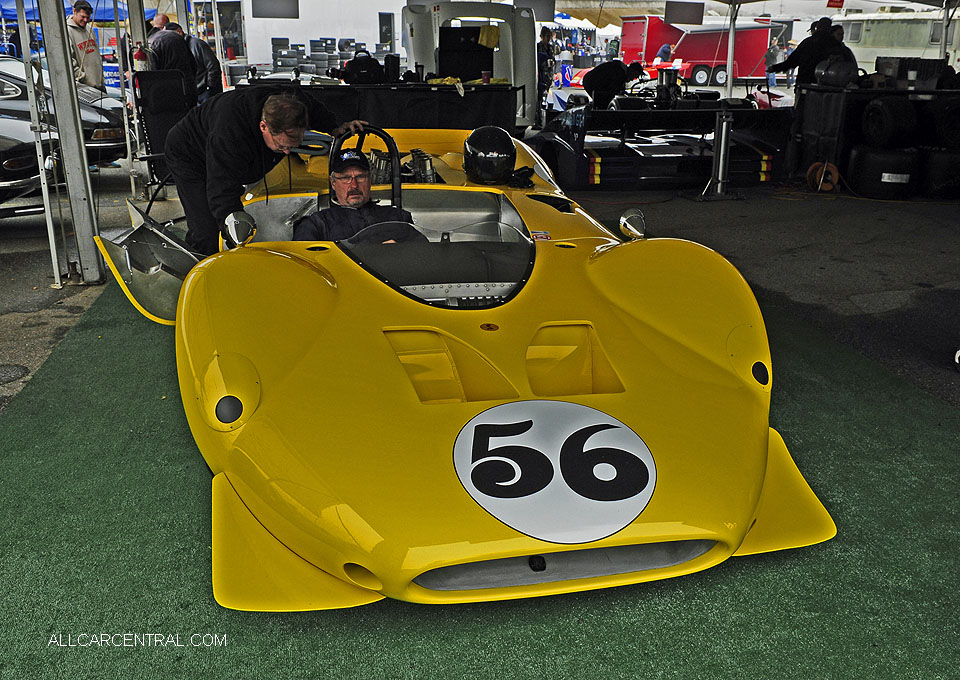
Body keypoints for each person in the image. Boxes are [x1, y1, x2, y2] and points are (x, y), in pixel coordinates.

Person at [164, 87, 366, 255]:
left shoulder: (296, 105)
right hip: (189, 154)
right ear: (264, 127)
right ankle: (198, 268)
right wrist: (233, 229)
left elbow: (315, 109)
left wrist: (334, 127)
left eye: (293, 146)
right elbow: (222, 189)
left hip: (223, 146)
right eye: (281, 146)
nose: (287, 152)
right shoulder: (230, 134)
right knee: (207, 229)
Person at [293, 148, 419, 242]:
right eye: (345, 178)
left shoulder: (399, 218)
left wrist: (400, 251)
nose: (354, 185)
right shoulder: (317, 224)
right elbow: (303, 264)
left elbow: (423, 255)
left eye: (360, 177)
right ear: (333, 183)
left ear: (370, 180)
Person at [768, 18, 846, 87]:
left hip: (805, 82)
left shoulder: (807, 42)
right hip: (827, 86)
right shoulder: (837, 45)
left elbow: (792, 61)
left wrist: (775, 68)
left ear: (817, 27)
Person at [166, 23, 223, 104]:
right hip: (192, 93)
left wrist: (209, 88)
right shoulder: (177, 48)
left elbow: (213, 67)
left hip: (204, 92)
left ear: (179, 32)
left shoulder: (197, 44)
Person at [148, 21, 197, 106]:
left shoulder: (150, 44)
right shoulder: (175, 36)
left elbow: (153, 76)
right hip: (188, 89)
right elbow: (193, 65)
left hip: (168, 95)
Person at [66, 1, 104, 90]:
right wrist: (82, 78)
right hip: (84, 88)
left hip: (99, 85)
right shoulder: (67, 31)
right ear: (74, 11)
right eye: (82, 17)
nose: (86, 20)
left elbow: (97, 56)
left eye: (88, 17)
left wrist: (101, 78)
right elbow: (68, 61)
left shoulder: (89, 28)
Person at [581, 60, 646, 109]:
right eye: (635, 75)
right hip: (592, 81)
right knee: (603, 102)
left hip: (591, 80)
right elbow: (614, 91)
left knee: (603, 101)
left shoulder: (621, 71)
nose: (633, 79)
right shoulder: (618, 73)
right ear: (632, 71)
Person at [536, 26, 556, 121]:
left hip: (548, 76)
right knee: (538, 98)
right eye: (547, 36)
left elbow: (553, 59)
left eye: (550, 37)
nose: (548, 39)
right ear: (542, 36)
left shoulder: (550, 48)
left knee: (546, 97)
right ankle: (538, 118)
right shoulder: (537, 47)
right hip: (540, 76)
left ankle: (544, 117)